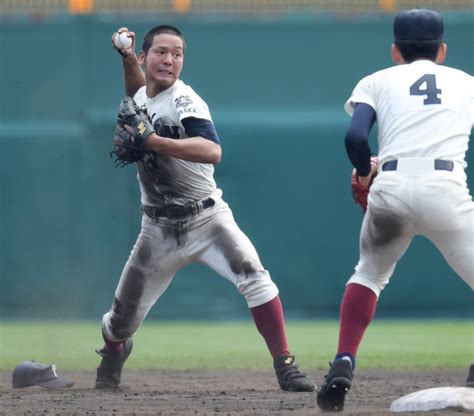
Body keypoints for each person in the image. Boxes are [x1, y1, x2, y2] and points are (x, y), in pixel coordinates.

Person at [94, 24, 315, 393]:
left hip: (206, 218)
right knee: (119, 321)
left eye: (177, 53)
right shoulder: (141, 96)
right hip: (157, 228)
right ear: (147, 57)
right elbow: (136, 91)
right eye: (161, 52)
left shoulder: (185, 100)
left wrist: (156, 142)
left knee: (255, 276)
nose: (169, 60)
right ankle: (115, 350)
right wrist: (127, 56)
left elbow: (213, 150)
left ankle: (285, 365)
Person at [316, 8, 473, 412]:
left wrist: (363, 171)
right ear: (441, 50)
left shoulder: (377, 79)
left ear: (394, 50)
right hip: (446, 189)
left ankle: (344, 362)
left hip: (393, 188)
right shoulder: (466, 82)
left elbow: (355, 136)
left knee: (369, 274)